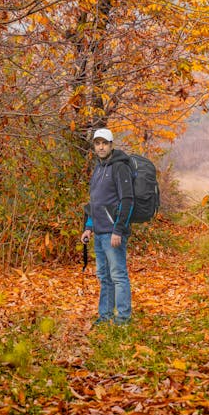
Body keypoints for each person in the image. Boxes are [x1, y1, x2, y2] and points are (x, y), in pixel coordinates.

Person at [81, 128, 134, 325]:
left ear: (111, 145)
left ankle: (123, 319)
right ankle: (105, 316)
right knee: (104, 276)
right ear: (94, 146)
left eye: (105, 143)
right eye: (98, 143)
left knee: (118, 275)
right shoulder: (99, 168)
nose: (101, 146)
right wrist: (88, 227)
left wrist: (118, 230)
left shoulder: (119, 167)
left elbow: (127, 200)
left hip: (113, 234)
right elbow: (95, 202)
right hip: (99, 233)